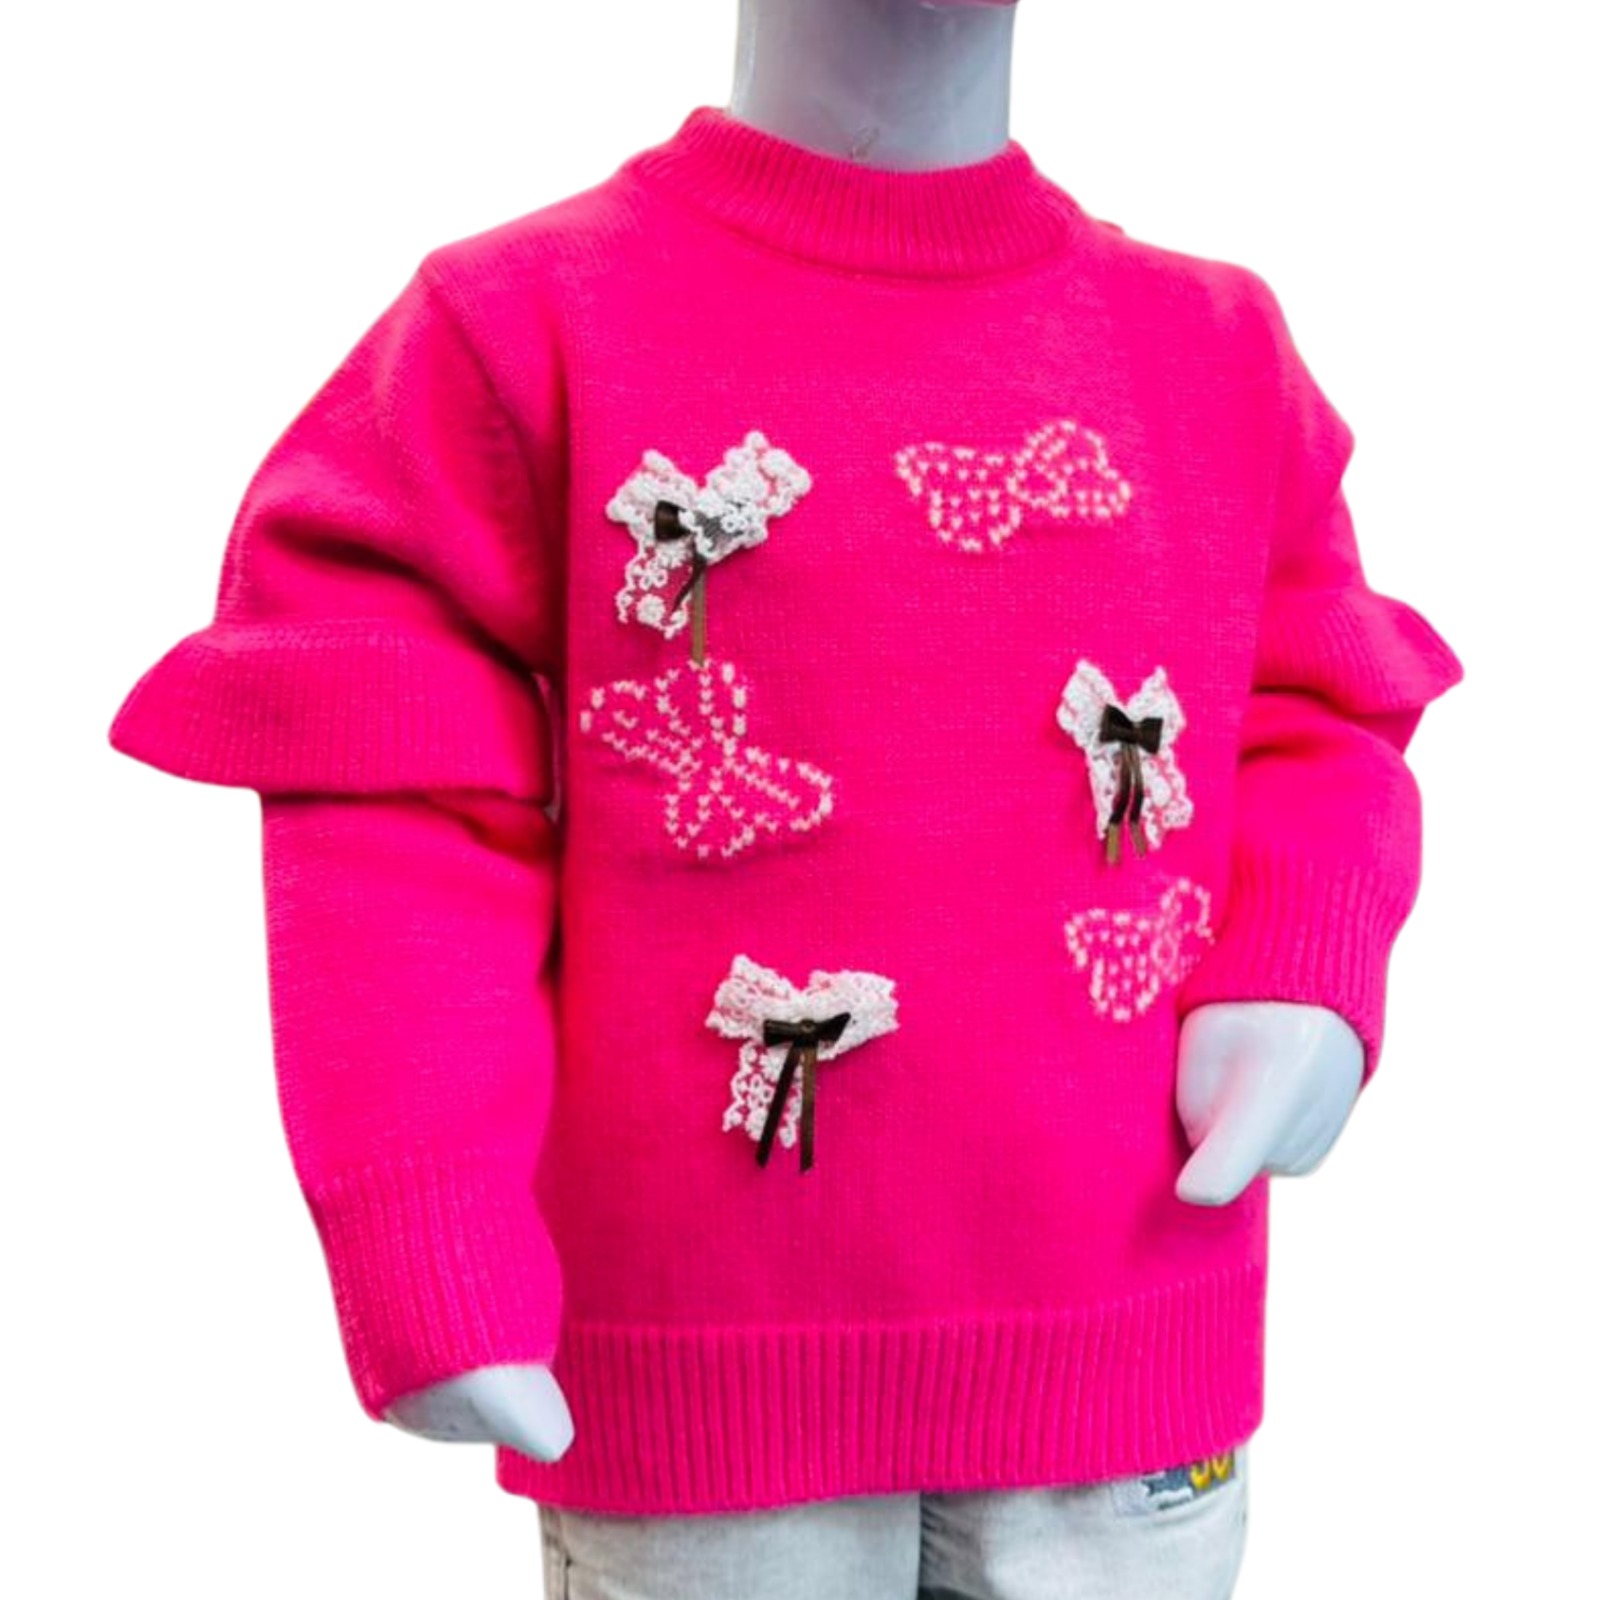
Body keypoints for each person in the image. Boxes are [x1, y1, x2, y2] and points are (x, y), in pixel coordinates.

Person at [105, 3, 1463, 1595]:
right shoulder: (517, 326)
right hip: (700, 1390)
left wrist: (1303, 959)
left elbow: (1324, 698)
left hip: (1127, 1357)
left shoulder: (1214, 349)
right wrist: (426, 1213)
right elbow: (384, 770)